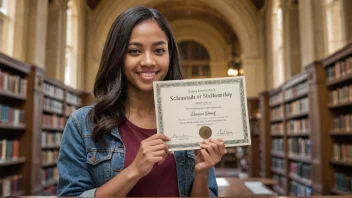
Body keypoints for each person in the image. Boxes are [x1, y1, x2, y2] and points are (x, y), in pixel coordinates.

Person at [57, 6, 227, 197]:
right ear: (118, 56)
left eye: (159, 50)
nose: (148, 61)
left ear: (170, 56)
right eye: (135, 51)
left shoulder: (191, 120)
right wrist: (135, 170)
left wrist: (202, 172)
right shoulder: (83, 124)